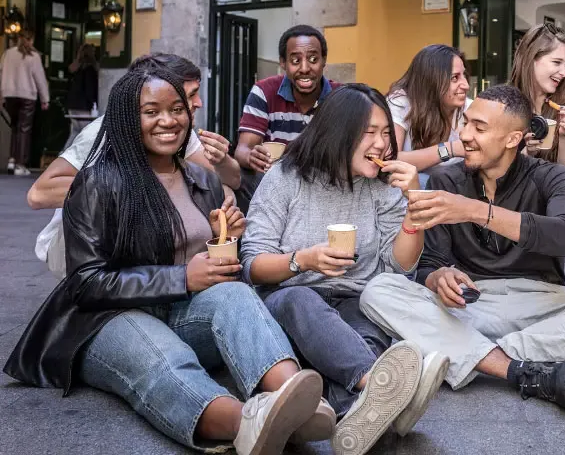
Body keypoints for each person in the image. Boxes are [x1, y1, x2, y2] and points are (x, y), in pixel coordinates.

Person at [3, 67, 339, 454]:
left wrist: (222, 236)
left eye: (178, 109)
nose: (169, 120)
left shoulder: (203, 179)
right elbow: (86, 283)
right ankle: (248, 423)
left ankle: (297, 401)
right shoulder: (97, 182)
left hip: (181, 312)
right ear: (129, 118)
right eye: (152, 111)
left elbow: (206, 263)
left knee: (236, 297)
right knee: (166, 357)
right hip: (105, 320)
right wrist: (182, 277)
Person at [360, 85, 565, 410]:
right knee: (378, 290)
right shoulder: (446, 181)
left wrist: (474, 211)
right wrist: (438, 277)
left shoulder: (552, 176)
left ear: (513, 139)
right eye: (466, 123)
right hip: (470, 306)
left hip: (541, 306)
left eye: (479, 127)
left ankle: (468, 355)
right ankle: (517, 368)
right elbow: (429, 264)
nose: (465, 135)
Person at [242, 84, 448, 455]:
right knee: (301, 300)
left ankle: (358, 412)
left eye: (387, 132)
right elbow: (253, 265)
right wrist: (301, 260)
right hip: (289, 302)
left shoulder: (383, 187)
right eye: (369, 132)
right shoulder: (286, 177)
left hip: (355, 298)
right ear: (338, 130)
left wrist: (413, 206)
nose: (383, 143)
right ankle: (381, 385)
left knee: (366, 327)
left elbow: (398, 271)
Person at [26, 54, 241, 278]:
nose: (199, 103)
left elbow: (228, 180)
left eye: (178, 108)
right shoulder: (107, 130)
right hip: (92, 259)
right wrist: (129, 188)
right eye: (192, 94)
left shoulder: (177, 129)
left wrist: (222, 160)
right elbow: (38, 194)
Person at [235, 25, 340, 179]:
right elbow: (243, 149)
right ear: (283, 63)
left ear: (324, 60)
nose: (304, 68)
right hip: (275, 186)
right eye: (295, 60)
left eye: (313, 59)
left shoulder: (339, 97)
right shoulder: (264, 92)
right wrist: (252, 157)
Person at [386, 44, 471, 186]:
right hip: (407, 190)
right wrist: (450, 149)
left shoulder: (470, 109)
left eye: (464, 75)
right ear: (432, 81)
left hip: (454, 189)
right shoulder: (402, 102)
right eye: (455, 78)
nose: (466, 85)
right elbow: (390, 160)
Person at [509, 23, 565, 173]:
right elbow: (493, 169)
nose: (564, 73)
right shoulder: (504, 102)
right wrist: (527, 153)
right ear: (531, 58)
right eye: (556, 62)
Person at [1, 29, 49, 176]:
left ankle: (11, 159)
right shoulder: (33, 56)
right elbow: (40, 78)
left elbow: (1, 72)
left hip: (9, 95)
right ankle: (20, 164)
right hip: (27, 95)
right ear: (31, 40)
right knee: (24, 129)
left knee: (14, 127)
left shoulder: (8, 53)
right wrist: (45, 98)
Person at [64, 43, 99, 148]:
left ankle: (63, 156)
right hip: (83, 107)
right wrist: (94, 104)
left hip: (72, 105)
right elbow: (90, 90)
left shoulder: (75, 69)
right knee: (87, 134)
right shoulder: (90, 70)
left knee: (75, 132)